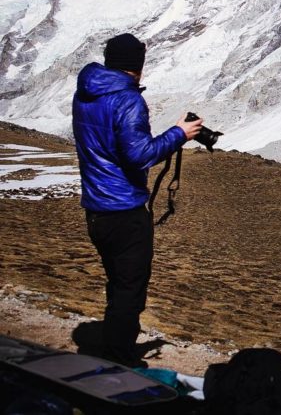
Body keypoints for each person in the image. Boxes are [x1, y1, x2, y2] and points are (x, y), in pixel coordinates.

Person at [72, 33, 203, 366]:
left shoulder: (86, 92)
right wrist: (179, 134)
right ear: (138, 66)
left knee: (117, 283)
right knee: (130, 289)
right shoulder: (127, 100)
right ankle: (118, 362)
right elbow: (140, 156)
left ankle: (112, 348)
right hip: (125, 211)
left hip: (95, 210)